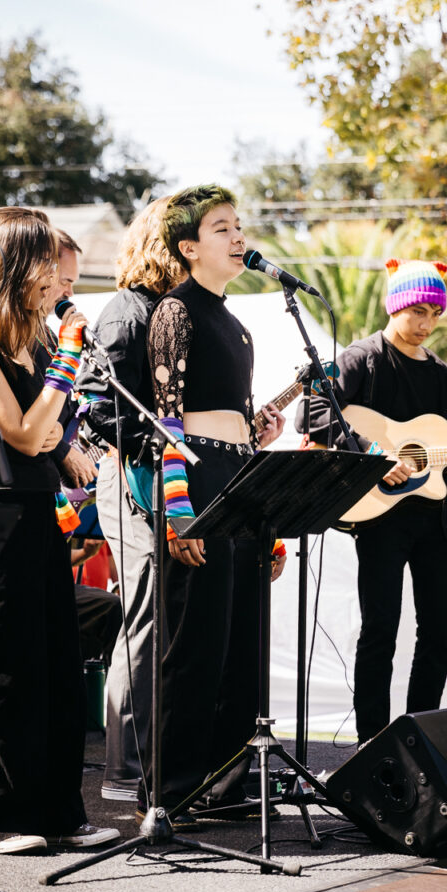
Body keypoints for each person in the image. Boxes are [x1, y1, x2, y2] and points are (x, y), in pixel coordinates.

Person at [0, 206, 118, 855]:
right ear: (12, 263)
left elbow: (51, 429)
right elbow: (19, 431)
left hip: (40, 514)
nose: (54, 274)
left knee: (55, 667)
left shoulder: (39, 340)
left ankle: (59, 812)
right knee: (3, 673)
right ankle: (1, 817)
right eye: (43, 259)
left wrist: (64, 441)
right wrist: (66, 363)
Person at [295, 258, 447, 744]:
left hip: (438, 523)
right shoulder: (360, 358)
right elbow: (313, 412)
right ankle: (372, 743)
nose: (425, 324)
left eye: (434, 314)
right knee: (380, 629)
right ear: (392, 305)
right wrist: (375, 454)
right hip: (381, 520)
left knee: (438, 632)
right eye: (416, 311)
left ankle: (421, 738)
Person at [143, 184, 286, 822]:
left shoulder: (238, 324)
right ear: (189, 247)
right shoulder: (176, 312)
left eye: (238, 226)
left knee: (242, 640)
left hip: (240, 474)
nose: (237, 237)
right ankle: (172, 790)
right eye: (221, 228)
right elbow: (165, 421)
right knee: (197, 640)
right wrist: (176, 511)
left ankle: (230, 787)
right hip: (195, 479)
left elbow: (234, 415)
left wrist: (258, 433)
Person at [75, 196, 185, 802]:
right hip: (132, 478)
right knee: (142, 617)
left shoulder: (176, 313)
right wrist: (150, 443)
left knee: (166, 619)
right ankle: (124, 771)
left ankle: (163, 763)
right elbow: (99, 405)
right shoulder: (128, 312)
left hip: (165, 478)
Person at [33, 228, 98, 490]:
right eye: (65, 281)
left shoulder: (48, 335)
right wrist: (62, 451)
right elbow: (30, 419)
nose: (70, 292)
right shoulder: (15, 340)